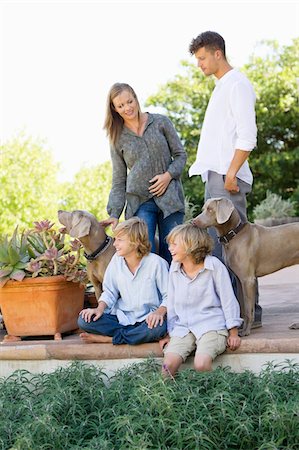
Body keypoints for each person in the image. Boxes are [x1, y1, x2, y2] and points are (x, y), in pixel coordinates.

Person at [188, 31, 262, 326]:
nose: (200, 64)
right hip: (216, 176)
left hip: (227, 178)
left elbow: (248, 135)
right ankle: (235, 315)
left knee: (237, 250)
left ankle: (248, 316)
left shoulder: (237, 85)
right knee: (221, 251)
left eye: (202, 58)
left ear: (218, 53)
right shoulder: (221, 86)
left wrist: (231, 172)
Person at [100, 82, 187, 264]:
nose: (127, 108)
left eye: (129, 102)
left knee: (175, 254)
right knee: (145, 255)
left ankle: (174, 293)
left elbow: (180, 155)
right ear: (115, 109)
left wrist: (168, 176)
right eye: (120, 106)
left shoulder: (161, 122)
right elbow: (119, 179)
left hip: (170, 198)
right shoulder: (117, 138)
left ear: (136, 98)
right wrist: (114, 213)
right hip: (140, 202)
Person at [161, 223, 242, 377]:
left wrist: (233, 332)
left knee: (201, 364)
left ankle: (216, 396)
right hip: (184, 326)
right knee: (167, 366)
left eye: (174, 244)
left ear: (191, 244)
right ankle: (171, 400)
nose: (170, 248)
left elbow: (228, 299)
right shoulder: (175, 267)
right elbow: (171, 302)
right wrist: (170, 333)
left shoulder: (214, 266)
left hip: (211, 325)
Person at [78, 217, 168, 345]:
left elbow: (169, 296)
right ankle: (134, 336)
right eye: (115, 240)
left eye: (119, 240)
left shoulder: (157, 263)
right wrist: (99, 309)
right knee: (84, 320)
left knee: (158, 328)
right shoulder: (116, 261)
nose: (114, 244)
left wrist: (159, 313)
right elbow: (109, 292)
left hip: (148, 320)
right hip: (121, 318)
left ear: (135, 242)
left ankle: (110, 339)